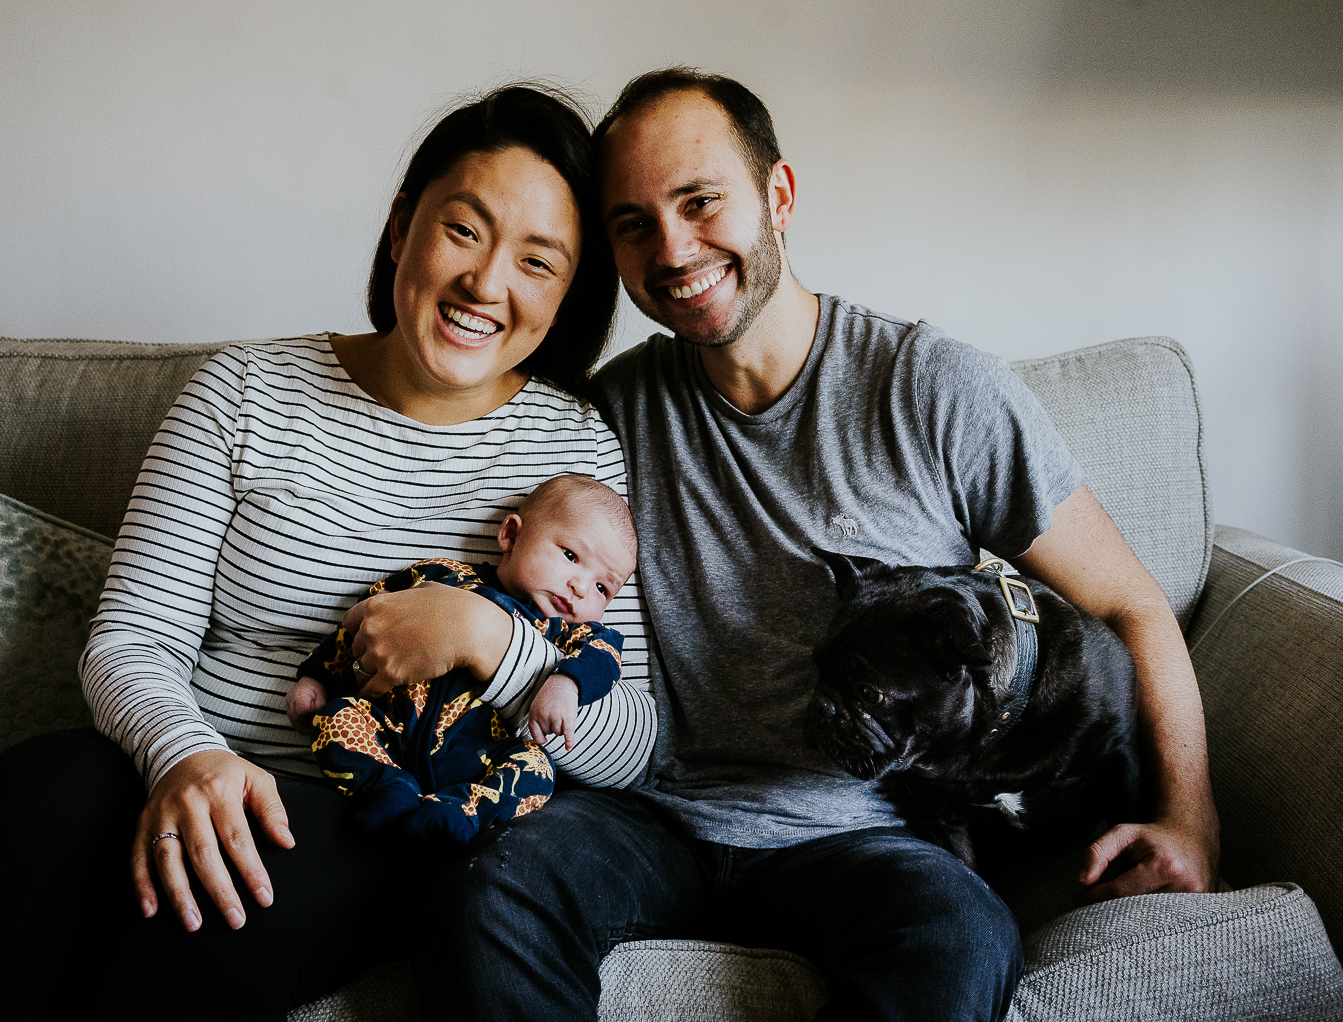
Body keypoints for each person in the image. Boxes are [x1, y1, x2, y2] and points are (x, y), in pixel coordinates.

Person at [416, 69, 1221, 1022]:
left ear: (779, 196)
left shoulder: (934, 389)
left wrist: (1191, 817)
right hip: (651, 815)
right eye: (634, 224)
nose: (673, 249)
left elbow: (1129, 600)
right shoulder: (611, 415)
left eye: (700, 201)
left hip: (865, 836)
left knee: (961, 939)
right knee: (495, 890)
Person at [0, 84, 656, 1020]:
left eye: (537, 261)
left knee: (208, 907)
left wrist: (492, 642)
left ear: (567, 293)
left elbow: (633, 742)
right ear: (402, 228)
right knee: (26, 798)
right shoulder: (246, 388)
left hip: (381, 810)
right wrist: (185, 758)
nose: (486, 283)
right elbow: (130, 642)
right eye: (464, 230)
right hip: (192, 757)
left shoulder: (575, 453)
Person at [287, 472, 638, 847]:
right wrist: (316, 677)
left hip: (481, 761)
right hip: (387, 728)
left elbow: (605, 658)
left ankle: (462, 813)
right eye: (570, 555)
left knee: (538, 771)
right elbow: (370, 619)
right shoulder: (441, 575)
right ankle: (386, 788)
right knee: (336, 718)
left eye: (603, 587)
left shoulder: (572, 634)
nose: (581, 587)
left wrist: (567, 683)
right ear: (511, 535)